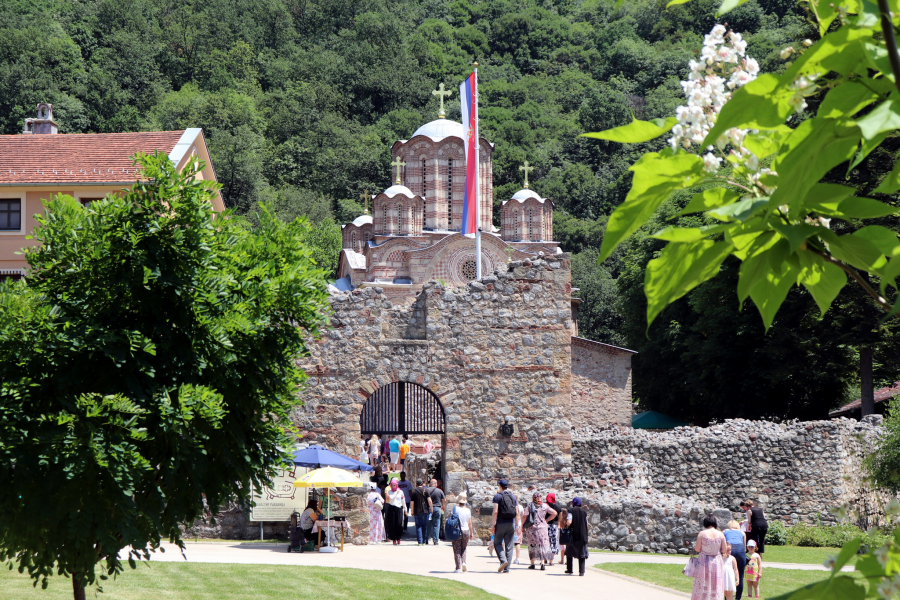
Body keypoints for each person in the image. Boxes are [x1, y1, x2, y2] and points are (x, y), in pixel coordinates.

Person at [691, 514, 727, 600]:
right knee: (715, 582)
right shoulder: (720, 534)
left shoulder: (702, 533)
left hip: (704, 561)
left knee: (703, 582)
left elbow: (697, 548)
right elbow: (724, 550)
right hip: (716, 561)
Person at [491, 479, 518, 573]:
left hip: (501, 523)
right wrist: (517, 525)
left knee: (497, 543)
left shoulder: (497, 496)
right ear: (507, 486)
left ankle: (503, 560)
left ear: (500, 486)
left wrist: (493, 525)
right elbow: (517, 512)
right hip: (511, 523)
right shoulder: (513, 496)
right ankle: (507, 568)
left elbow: (495, 512)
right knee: (509, 546)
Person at [525, 492, 556, 570]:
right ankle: (542, 563)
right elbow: (554, 513)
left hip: (532, 528)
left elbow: (525, 516)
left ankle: (532, 564)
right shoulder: (544, 506)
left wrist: (522, 525)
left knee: (532, 545)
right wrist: (546, 520)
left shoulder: (530, 505)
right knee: (542, 545)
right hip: (543, 528)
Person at [451, 492, 476, 573]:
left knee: (457, 548)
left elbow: (451, 519)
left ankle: (458, 567)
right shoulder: (468, 510)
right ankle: (464, 562)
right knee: (464, 548)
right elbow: (470, 523)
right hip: (466, 530)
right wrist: (471, 533)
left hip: (457, 530)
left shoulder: (455, 509)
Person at [724, 519, 748, 600]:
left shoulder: (725, 531)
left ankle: (727, 596)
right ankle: (738, 598)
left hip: (729, 548)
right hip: (740, 549)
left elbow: (723, 543)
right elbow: (745, 548)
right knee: (740, 576)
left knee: (726, 573)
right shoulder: (742, 533)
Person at [566, 498, 589, 576]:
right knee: (582, 554)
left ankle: (569, 569)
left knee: (569, 552)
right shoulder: (584, 512)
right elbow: (586, 524)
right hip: (582, 535)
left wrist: (566, 525)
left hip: (573, 534)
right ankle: (581, 571)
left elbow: (569, 522)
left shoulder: (571, 511)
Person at [409, 479, 433, 546]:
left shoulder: (414, 492)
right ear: (422, 484)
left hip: (417, 511)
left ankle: (420, 541)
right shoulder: (426, 490)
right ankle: (424, 541)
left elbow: (412, 503)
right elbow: (429, 501)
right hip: (425, 511)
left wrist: (412, 511)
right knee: (425, 526)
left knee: (418, 526)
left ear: (416, 484)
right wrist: (431, 509)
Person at [384, 478, 406, 545]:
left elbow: (403, 501)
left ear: (396, 485)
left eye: (394, 485)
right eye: (392, 485)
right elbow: (391, 498)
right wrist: (396, 492)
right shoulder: (389, 492)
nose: (393, 486)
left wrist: (405, 510)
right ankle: (393, 539)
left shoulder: (401, 492)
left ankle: (398, 538)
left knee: (399, 524)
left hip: (399, 509)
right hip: (392, 508)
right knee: (392, 524)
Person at [427, 478, 446, 545]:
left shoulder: (427, 490)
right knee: (436, 525)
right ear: (435, 484)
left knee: (428, 524)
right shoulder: (439, 491)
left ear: (430, 484)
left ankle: (426, 539)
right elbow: (444, 500)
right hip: (437, 508)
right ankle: (435, 540)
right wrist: (443, 507)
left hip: (429, 509)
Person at [545, 492, 561, 560]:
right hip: (554, 526)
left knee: (545, 542)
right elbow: (560, 516)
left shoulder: (545, 506)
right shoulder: (557, 507)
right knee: (553, 542)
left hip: (546, 525)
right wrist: (559, 524)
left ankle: (544, 558)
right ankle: (551, 560)